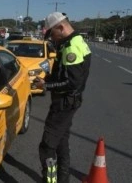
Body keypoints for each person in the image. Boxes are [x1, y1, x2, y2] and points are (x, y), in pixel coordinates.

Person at [33, 12, 91, 183]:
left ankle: (50, 181)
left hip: (64, 103)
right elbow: (62, 74)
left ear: (61, 27)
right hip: (70, 102)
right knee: (61, 142)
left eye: (52, 33)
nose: (52, 37)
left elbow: (71, 82)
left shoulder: (71, 47)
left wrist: (46, 86)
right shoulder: (75, 41)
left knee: (47, 147)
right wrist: (47, 79)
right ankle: (62, 179)